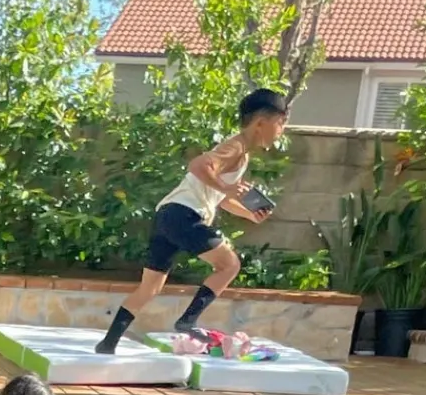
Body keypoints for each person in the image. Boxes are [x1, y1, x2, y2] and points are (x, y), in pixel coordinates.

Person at [95, 88, 290, 356]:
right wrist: (227, 186)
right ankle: (188, 320)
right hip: (184, 215)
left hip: (168, 216)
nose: (282, 130)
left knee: (150, 287)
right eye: (281, 123)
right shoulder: (235, 146)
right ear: (260, 123)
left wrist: (248, 213)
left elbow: (218, 197)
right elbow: (198, 165)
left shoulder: (239, 152)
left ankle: (107, 344)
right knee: (229, 265)